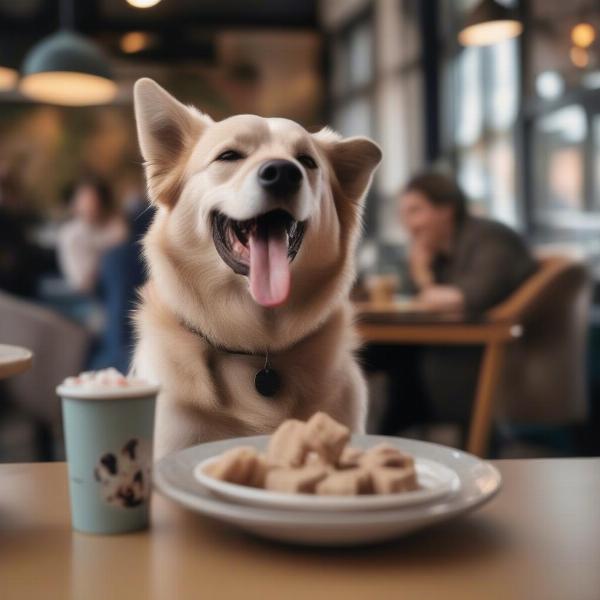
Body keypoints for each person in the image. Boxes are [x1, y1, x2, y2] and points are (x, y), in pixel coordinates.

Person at [366, 171, 537, 435]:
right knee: (363, 351)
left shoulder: (491, 237)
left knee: (383, 356)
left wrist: (422, 276)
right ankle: (372, 437)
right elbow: (419, 301)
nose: (408, 224)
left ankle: (379, 437)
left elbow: (471, 297)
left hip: (493, 354)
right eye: (404, 214)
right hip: (454, 345)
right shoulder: (440, 252)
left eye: (416, 211)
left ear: (446, 209)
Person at [57, 177, 127, 294]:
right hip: (86, 295)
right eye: (85, 201)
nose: (89, 206)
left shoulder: (113, 225)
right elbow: (83, 282)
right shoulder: (72, 234)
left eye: (94, 201)